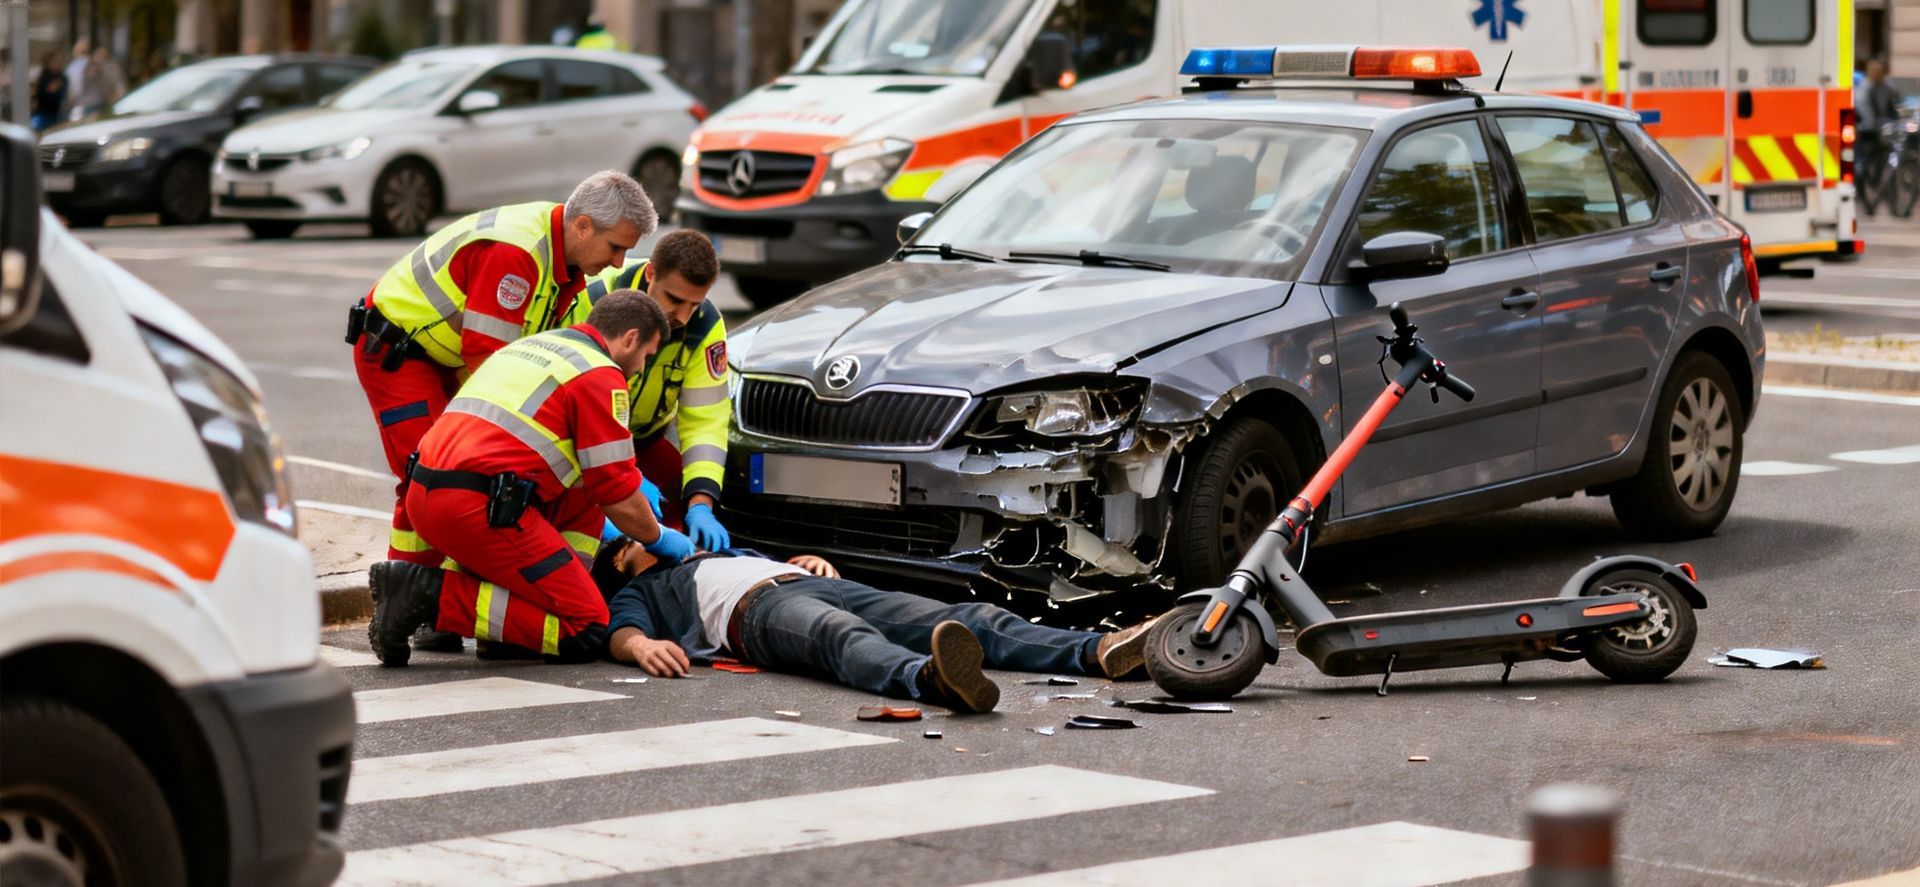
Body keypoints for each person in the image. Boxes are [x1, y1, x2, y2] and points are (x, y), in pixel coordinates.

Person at [350, 171, 654, 650]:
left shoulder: (565, 263)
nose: (618, 262)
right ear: (582, 227)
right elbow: (488, 362)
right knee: (428, 475)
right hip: (402, 353)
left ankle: (453, 602)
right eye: (616, 248)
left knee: (479, 483)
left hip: (444, 355)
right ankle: (413, 594)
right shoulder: (519, 255)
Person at [365, 290, 697, 667]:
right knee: (585, 627)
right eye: (646, 355)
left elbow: (588, 485)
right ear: (630, 338)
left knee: (580, 492)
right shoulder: (599, 376)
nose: (640, 367)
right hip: (480, 510)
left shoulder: (536, 346)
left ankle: (492, 620)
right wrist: (659, 537)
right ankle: (423, 595)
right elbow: (616, 492)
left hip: (434, 496)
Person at [596, 541, 1157, 713]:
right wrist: (642, 646)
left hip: (805, 583)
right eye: (634, 537)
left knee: (962, 617)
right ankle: (932, 681)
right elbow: (622, 632)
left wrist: (803, 563)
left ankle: (1098, 650)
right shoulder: (644, 588)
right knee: (841, 638)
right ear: (622, 555)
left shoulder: (712, 548)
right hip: (756, 616)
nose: (650, 533)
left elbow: (772, 561)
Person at [568, 231, 733, 549]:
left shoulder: (705, 326)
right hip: (579, 445)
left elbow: (705, 422)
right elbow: (569, 403)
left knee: (680, 524)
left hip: (643, 442)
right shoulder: (594, 299)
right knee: (602, 533)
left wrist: (701, 504)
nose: (683, 317)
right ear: (650, 274)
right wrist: (622, 477)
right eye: (674, 299)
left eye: (694, 303)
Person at [30, 51, 68, 132]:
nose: (60, 63)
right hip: (43, 115)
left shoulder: (63, 77)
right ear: (49, 62)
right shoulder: (42, 76)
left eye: (61, 60)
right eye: (57, 60)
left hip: (58, 114)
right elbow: (44, 94)